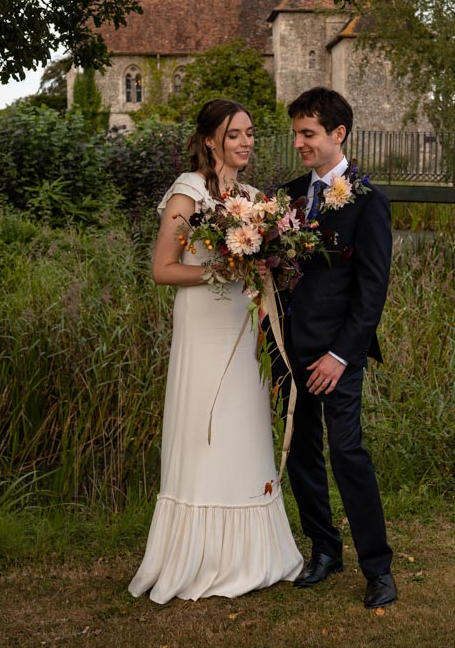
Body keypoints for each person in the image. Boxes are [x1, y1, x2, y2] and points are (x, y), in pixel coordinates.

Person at [128, 99, 302, 603]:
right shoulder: (189, 192)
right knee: (205, 432)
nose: (246, 142)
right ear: (210, 140)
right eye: (234, 135)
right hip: (203, 326)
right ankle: (199, 556)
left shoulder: (253, 198)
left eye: (249, 133)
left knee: (242, 428)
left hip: (240, 326)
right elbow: (163, 268)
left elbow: (260, 268)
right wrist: (216, 271)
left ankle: (253, 555)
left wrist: (265, 272)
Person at [276, 87, 397, 609]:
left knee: (347, 452)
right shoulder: (285, 197)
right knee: (300, 450)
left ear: (338, 134)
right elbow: (280, 274)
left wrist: (341, 355)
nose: (299, 142)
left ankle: (378, 569)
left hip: (338, 355)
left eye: (308, 133)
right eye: (297, 133)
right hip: (288, 350)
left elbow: (372, 290)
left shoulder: (368, 200)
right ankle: (324, 551)